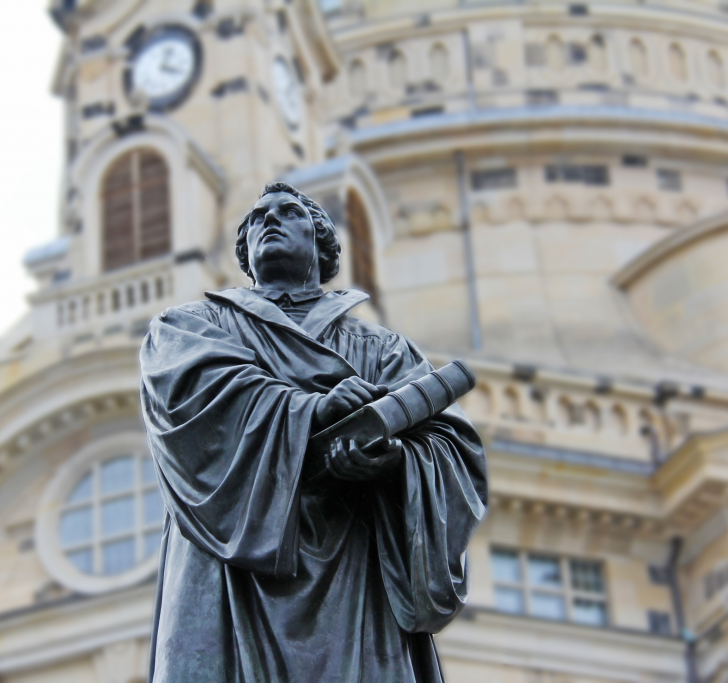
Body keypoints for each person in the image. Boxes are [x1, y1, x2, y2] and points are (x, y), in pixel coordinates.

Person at [140, 182, 488, 682]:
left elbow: (450, 445)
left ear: (322, 242)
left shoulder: (383, 348)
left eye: (288, 213)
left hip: (354, 567)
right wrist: (311, 409)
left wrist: (393, 461)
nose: (270, 221)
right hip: (231, 572)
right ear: (246, 251)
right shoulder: (190, 326)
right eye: (257, 218)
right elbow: (192, 395)